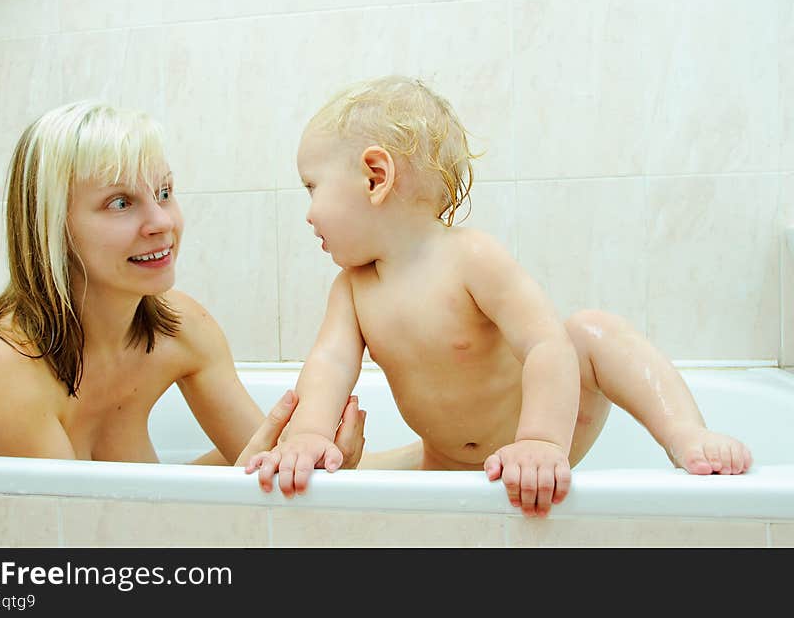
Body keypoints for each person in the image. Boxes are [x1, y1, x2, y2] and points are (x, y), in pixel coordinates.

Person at [246, 75, 753, 517]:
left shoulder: (471, 258)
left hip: (540, 436)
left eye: (312, 188)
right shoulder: (353, 289)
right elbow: (330, 364)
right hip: (445, 461)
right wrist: (311, 432)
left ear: (375, 177)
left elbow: (544, 345)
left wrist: (539, 440)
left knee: (590, 330)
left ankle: (686, 434)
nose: (309, 213)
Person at [0, 100, 368, 468]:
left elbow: (260, 461)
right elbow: (80, 551)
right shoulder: (2, 362)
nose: (161, 222)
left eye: (164, 193)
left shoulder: (181, 328)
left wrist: (418, 454)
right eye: (119, 202)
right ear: (50, 228)